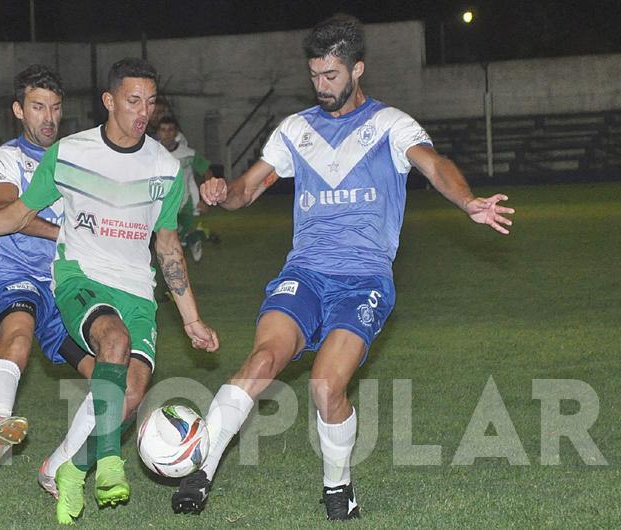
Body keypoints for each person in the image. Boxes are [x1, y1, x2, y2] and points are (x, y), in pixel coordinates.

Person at [171, 14, 514, 521]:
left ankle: (338, 486)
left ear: (357, 69)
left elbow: (434, 165)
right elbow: (248, 189)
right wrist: (224, 192)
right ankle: (200, 471)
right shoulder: (296, 131)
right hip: (305, 274)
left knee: (326, 386)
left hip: (365, 280)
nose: (321, 85)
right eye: (314, 75)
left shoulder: (390, 125)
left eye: (330, 75)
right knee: (263, 359)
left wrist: (467, 202)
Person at [0, 57, 219, 524]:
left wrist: (191, 319)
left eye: (150, 101)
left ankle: (63, 468)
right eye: (132, 100)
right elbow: (17, 212)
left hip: (136, 290)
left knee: (126, 392)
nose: (143, 111)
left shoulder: (164, 168)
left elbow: (167, 246)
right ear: (109, 101)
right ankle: (97, 459)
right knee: (79, 340)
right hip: (69, 278)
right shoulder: (64, 154)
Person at [0, 64, 93, 467]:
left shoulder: (76, 158)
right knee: (19, 338)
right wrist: (62, 234)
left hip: (65, 282)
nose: (49, 117)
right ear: (19, 110)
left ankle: (63, 465)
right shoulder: (5, 159)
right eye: (38, 107)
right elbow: (8, 209)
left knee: (112, 375)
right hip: (18, 274)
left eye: (55, 108)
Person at [157, 115, 217, 262]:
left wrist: (206, 199)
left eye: (170, 130)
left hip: (186, 202)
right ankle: (194, 236)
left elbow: (207, 171)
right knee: (169, 239)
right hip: (161, 204)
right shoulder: (153, 153)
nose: (167, 133)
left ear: (176, 132)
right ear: (158, 132)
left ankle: (193, 237)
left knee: (175, 238)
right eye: (163, 130)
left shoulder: (188, 153)